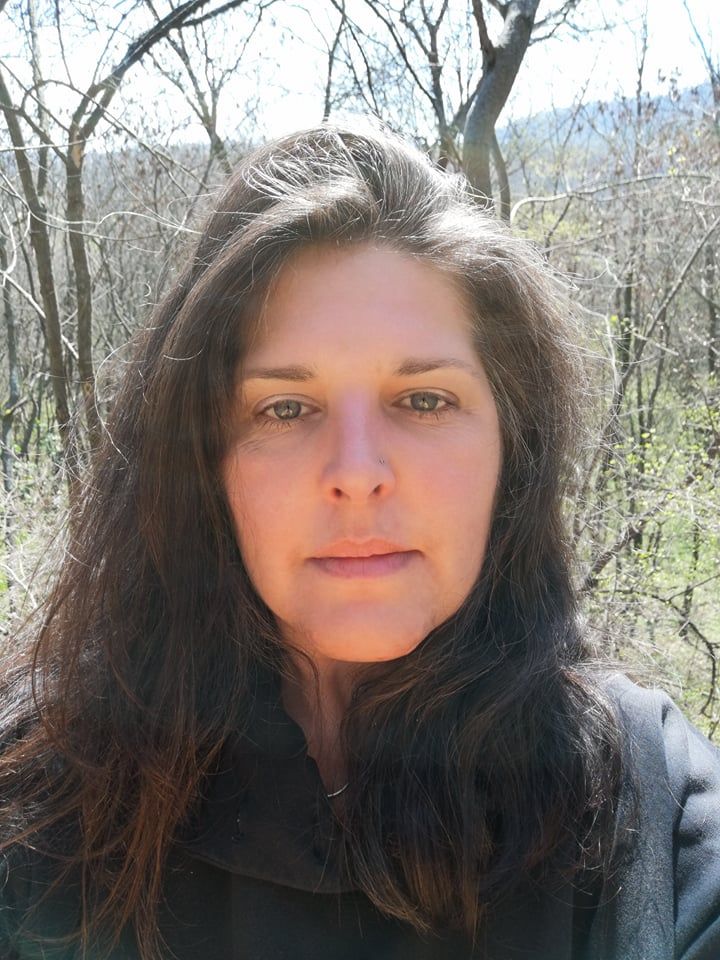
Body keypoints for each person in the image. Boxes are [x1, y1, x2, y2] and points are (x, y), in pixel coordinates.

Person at [1, 122, 719, 960]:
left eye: (424, 401)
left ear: (512, 449)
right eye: (285, 409)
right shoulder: (36, 800)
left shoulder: (652, 815)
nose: (356, 472)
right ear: (200, 462)